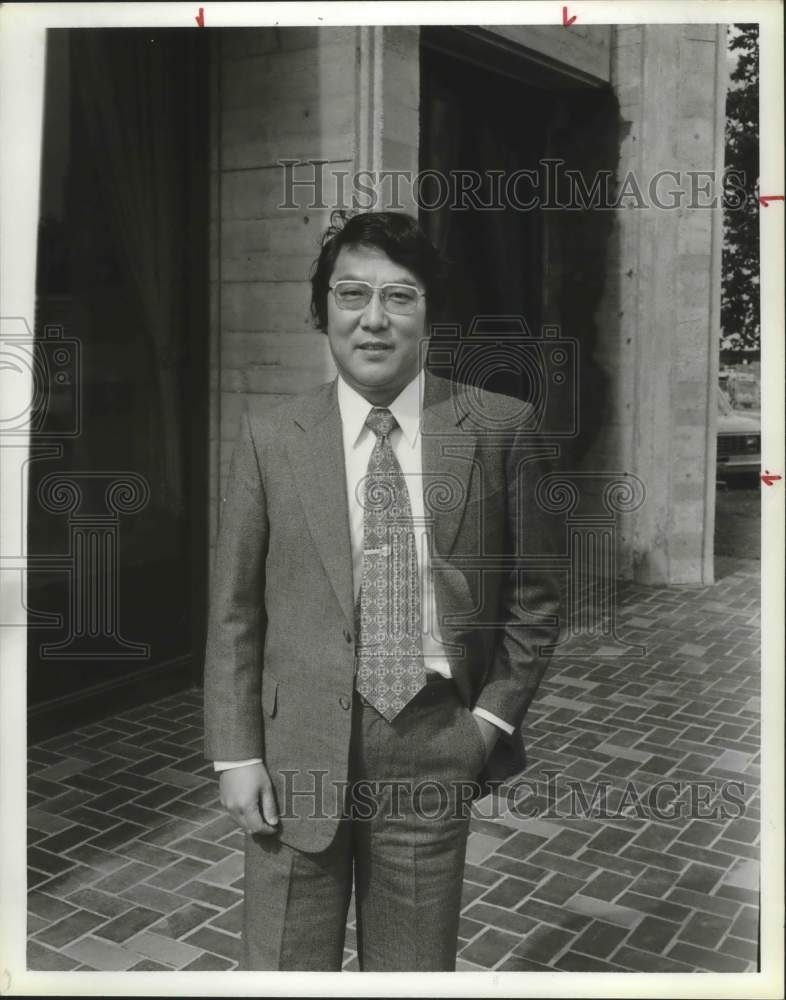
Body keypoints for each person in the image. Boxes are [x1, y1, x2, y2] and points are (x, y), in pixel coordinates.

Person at [203, 210, 561, 971]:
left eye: (399, 297)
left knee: (412, 973)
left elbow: (535, 600)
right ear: (321, 311)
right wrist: (235, 753)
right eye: (351, 294)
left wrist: (486, 728)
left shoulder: (498, 427)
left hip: (432, 745)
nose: (373, 319)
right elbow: (236, 613)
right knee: (283, 970)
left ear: (430, 313)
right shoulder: (272, 437)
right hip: (294, 751)